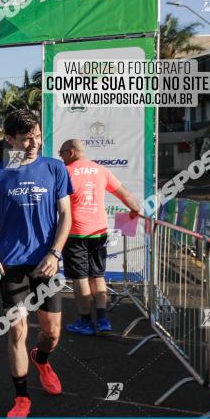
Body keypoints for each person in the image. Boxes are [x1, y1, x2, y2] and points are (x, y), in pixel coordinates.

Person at [0, 109, 72, 419]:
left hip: (46, 264)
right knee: (16, 331)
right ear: (10, 139)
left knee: (52, 334)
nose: (33, 142)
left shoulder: (55, 168)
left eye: (36, 135)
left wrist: (55, 253)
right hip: (12, 264)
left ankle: (42, 359)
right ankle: (21, 398)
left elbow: (65, 216)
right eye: (25, 137)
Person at [59, 138, 141, 334]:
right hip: (98, 232)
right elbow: (125, 193)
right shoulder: (100, 170)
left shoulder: (66, 172)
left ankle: (86, 322)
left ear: (71, 152)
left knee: (80, 278)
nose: (60, 157)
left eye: (61, 153)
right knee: (97, 275)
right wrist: (135, 209)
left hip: (75, 233)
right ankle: (104, 320)